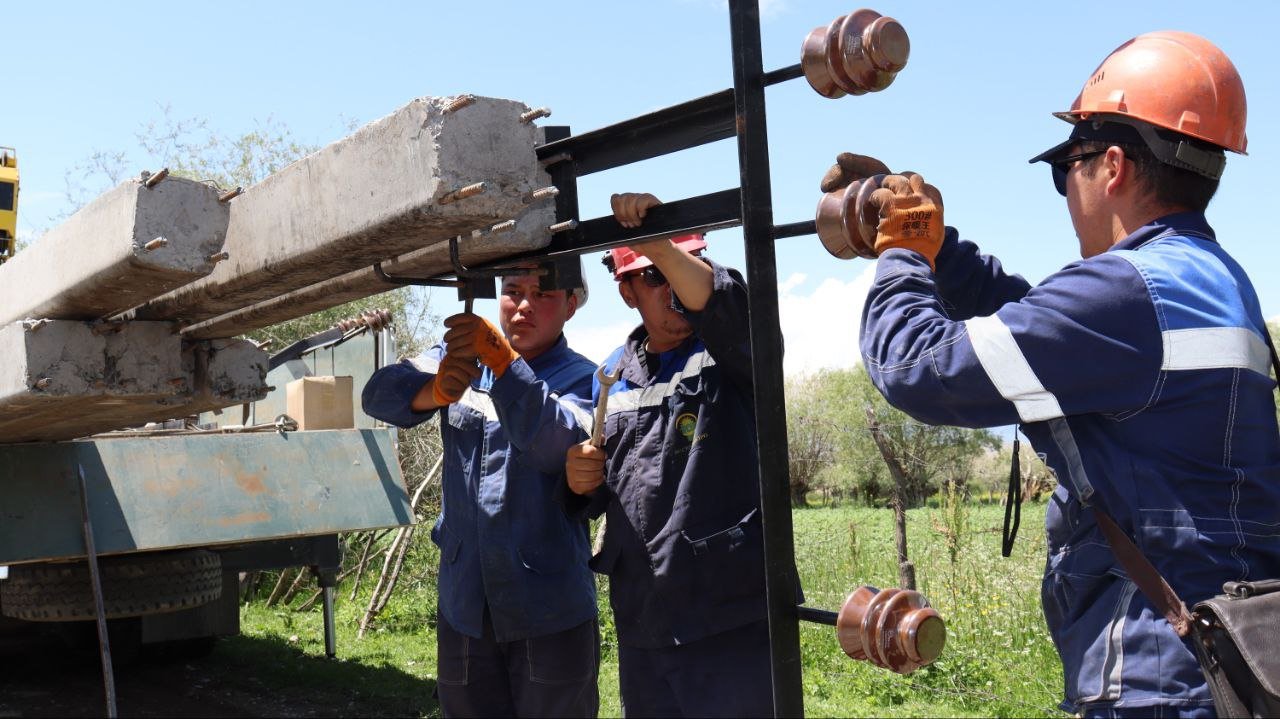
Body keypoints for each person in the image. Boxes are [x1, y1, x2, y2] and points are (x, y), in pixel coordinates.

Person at [830, 31, 1280, 717]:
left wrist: (900, 255)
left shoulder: (1130, 293)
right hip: (1225, 662)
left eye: (1065, 166)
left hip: (1159, 674)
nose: (1065, 189)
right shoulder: (1209, 280)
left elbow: (917, 367)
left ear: (1115, 166)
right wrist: (942, 249)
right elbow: (1047, 331)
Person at [563, 192, 787, 718]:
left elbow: (723, 303)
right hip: (643, 619)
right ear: (627, 292)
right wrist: (579, 481)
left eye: (686, 264)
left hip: (727, 616)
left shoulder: (733, 346)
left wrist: (661, 249)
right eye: (654, 278)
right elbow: (606, 492)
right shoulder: (612, 376)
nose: (672, 289)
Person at [361, 265, 599, 718]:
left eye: (542, 293)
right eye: (512, 291)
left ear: (571, 305)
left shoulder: (586, 379)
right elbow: (378, 394)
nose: (524, 304)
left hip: (548, 608)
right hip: (466, 606)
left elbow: (555, 446)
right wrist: (431, 391)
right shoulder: (461, 360)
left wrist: (506, 365)